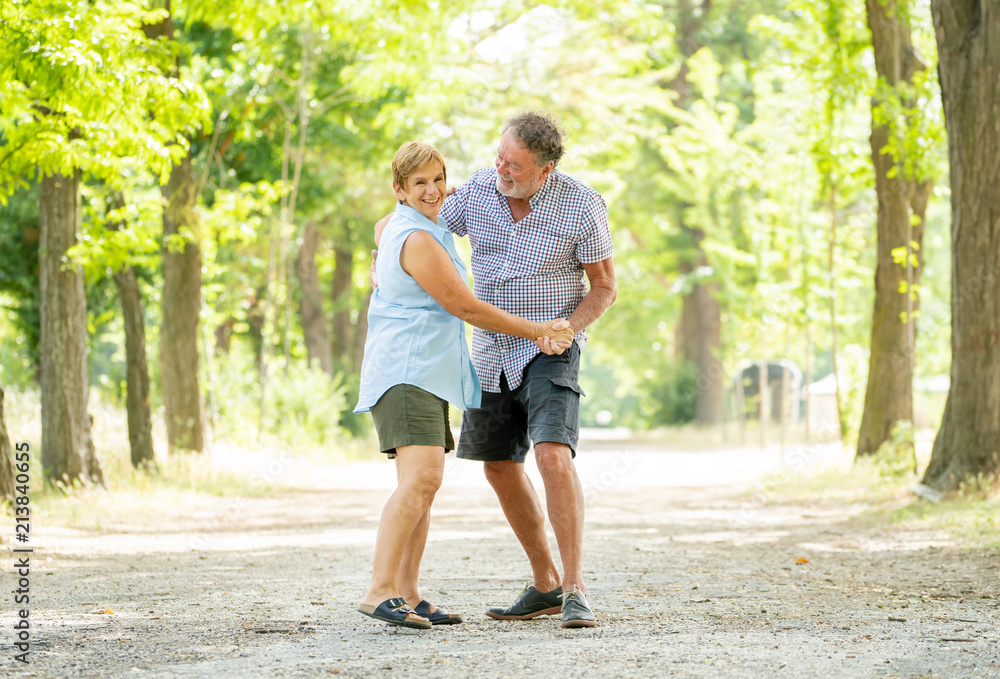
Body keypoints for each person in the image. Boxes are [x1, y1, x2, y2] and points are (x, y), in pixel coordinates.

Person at [354, 141, 574, 630]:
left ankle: (408, 593)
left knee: (420, 486)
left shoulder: (405, 225)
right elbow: (465, 307)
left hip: (425, 372)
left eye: (438, 179)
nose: (433, 190)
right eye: (419, 183)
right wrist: (538, 330)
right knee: (423, 480)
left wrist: (431, 202)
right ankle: (379, 590)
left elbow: (383, 226)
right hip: (406, 370)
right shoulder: (418, 240)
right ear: (399, 189)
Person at [440, 112, 615, 629]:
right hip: (489, 351)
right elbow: (419, 224)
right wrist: (383, 249)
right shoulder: (479, 190)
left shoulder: (582, 204)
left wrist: (569, 326)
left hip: (548, 348)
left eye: (514, 165)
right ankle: (545, 584)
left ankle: (575, 588)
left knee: (553, 456)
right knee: (498, 465)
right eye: (499, 158)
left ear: (545, 169)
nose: (502, 169)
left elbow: (604, 286)